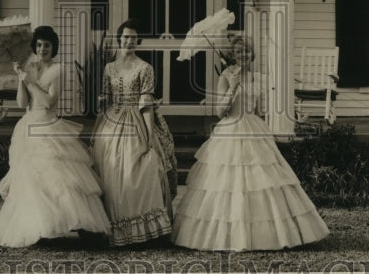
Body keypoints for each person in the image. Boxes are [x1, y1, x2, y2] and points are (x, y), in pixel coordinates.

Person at [172, 34, 330, 251]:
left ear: (252, 54)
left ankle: (268, 235)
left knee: (263, 179)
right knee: (229, 184)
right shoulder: (226, 76)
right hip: (231, 128)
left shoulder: (257, 78)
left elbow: (257, 110)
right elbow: (220, 112)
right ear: (232, 55)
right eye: (238, 52)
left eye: (246, 51)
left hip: (253, 128)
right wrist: (232, 88)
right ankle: (227, 236)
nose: (243, 55)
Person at [0, 25, 110, 248]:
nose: (43, 49)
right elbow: (23, 103)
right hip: (28, 125)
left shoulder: (58, 70)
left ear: (54, 48)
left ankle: (80, 225)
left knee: (58, 174)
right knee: (31, 178)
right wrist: (21, 79)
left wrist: (31, 81)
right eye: (40, 45)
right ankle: (41, 226)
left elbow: (49, 101)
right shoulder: (30, 68)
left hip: (48, 123)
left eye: (47, 45)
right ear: (35, 47)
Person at [91, 19, 177, 246]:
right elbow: (104, 101)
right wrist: (95, 130)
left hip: (135, 120)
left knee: (135, 171)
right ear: (119, 40)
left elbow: (146, 106)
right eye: (125, 37)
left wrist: (149, 136)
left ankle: (141, 230)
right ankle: (112, 227)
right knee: (109, 171)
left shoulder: (144, 68)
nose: (129, 41)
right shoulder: (109, 68)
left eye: (132, 38)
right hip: (111, 122)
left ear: (137, 41)